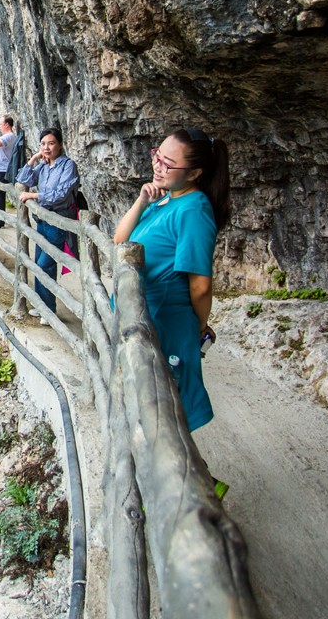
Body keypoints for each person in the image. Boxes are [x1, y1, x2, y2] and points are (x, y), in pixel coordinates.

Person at [113, 127, 231, 436]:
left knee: (163, 412)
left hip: (164, 321)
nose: (158, 166)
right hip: (143, 316)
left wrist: (200, 327)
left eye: (168, 163)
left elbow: (201, 284)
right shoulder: (165, 199)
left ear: (195, 174)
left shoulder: (194, 210)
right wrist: (141, 201)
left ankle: (193, 481)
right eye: (157, 156)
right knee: (150, 407)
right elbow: (121, 242)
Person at [15, 127, 80, 325]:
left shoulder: (68, 166)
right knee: (40, 263)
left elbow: (60, 194)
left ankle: (49, 311)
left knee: (45, 264)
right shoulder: (44, 166)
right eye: (43, 144)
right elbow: (23, 179)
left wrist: (33, 195)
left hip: (58, 220)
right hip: (42, 220)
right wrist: (34, 158)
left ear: (60, 144)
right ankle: (43, 305)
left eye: (51, 143)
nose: (47, 147)